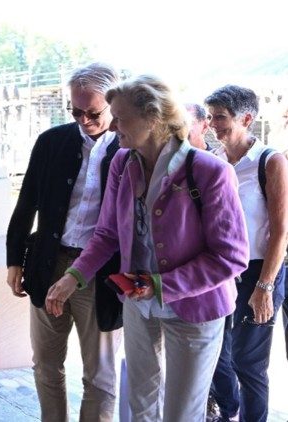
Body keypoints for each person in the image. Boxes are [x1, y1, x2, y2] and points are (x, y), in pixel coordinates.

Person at [45, 75, 249, 421]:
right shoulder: (122, 166)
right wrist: (72, 277)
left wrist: (158, 284)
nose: (113, 126)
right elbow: (107, 234)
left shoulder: (209, 171)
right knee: (141, 406)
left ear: (152, 118)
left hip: (196, 308)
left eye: (120, 117)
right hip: (138, 308)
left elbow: (230, 257)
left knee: (181, 413)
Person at [5, 63, 123, 422]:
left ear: (114, 105)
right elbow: (27, 203)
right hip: (47, 263)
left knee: (100, 377)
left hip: (102, 275)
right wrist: (14, 260)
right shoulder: (52, 142)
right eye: (75, 111)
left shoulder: (129, 149)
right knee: (45, 364)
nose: (83, 120)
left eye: (93, 112)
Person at [205, 85, 288, 422]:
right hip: (222, 272)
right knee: (217, 355)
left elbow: (281, 230)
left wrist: (265, 287)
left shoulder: (270, 161)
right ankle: (226, 411)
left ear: (247, 119)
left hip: (259, 271)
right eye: (210, 117)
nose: (212, 124)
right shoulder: (214, 162)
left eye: (220, 117)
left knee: (249, 363)